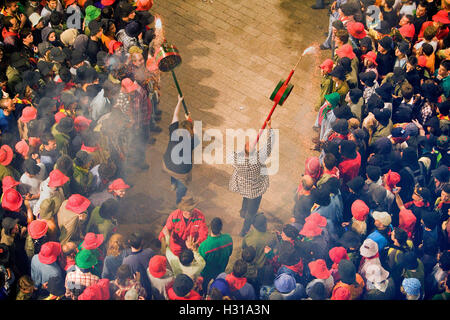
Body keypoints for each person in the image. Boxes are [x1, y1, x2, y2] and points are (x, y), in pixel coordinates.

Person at [229, 119, 275, 236]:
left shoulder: (237, 159)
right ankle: (245, 229)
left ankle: (243, 211)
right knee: (252, 212)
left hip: (243, 185)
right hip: (255, 189)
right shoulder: (259, 159)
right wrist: (269, 128)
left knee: (245, 198)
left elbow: (231, 156)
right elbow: (269, 144)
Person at [162, 95, 195, 204]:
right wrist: (189, 120)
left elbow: (175, 115)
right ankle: (178, 202)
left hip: (168, 165)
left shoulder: (174, 132)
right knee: (182, 188)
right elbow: (195, 132)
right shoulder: (192, 141)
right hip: (181, 172)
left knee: (173, 171)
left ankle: (173, 183)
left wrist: (179, 101)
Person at [198, 217, 233, 292]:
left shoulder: (204, 245)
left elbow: (200, 262)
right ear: (221, 228)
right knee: (218, 285)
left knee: (204, 285)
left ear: (210, 228)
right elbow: (230, 253)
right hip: (221, 269)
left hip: (206, 272)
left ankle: (204, 294)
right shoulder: (228, 238)